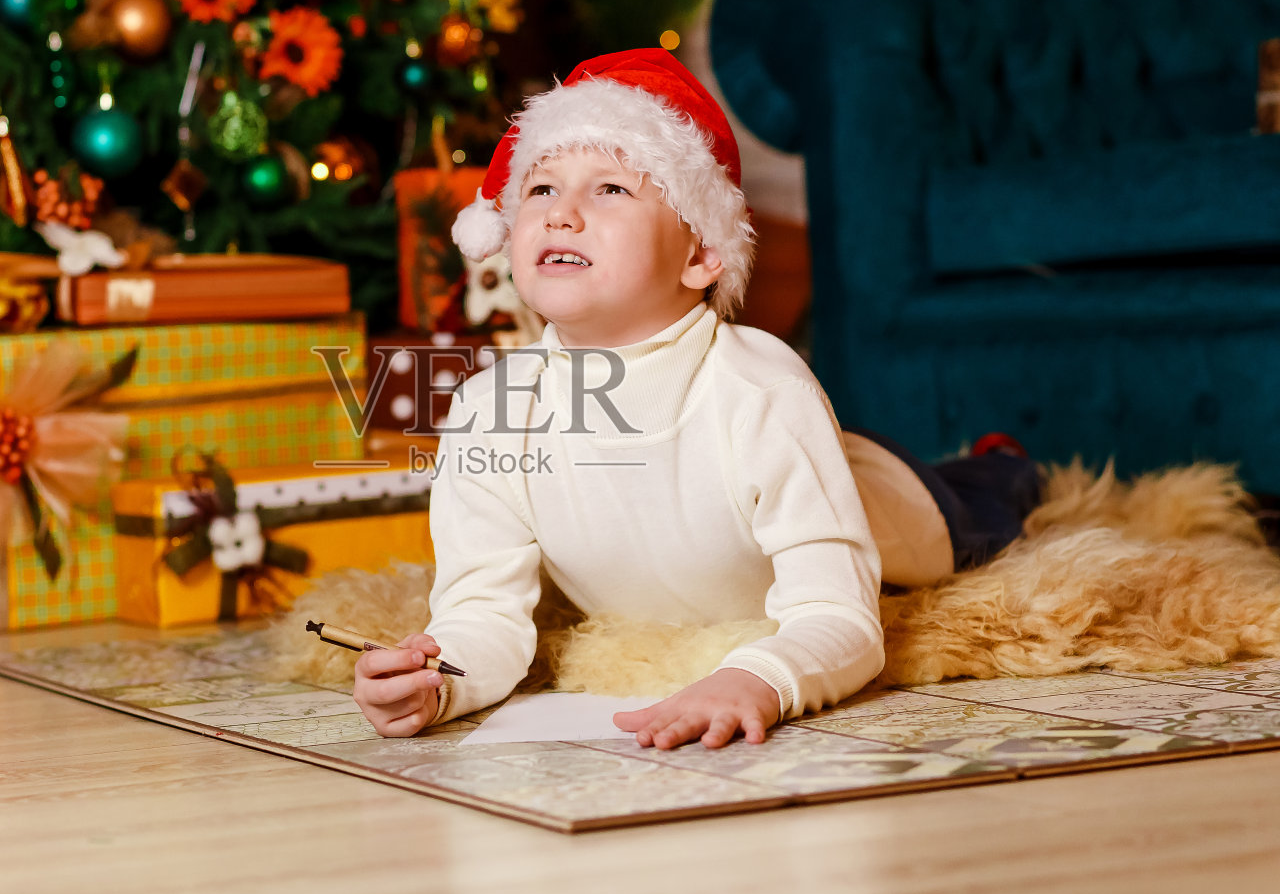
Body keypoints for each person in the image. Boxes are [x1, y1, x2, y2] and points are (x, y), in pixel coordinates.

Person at [352, 49, 1042, 750]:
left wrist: (759, 677)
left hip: (895, 505)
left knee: (976, 508)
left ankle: (1000, 462)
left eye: (611, 189)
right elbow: (481, 611)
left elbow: (839, 614)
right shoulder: (487, 412)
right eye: (539, 189)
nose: (561, 213)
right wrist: (438, 678)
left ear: (701, 255)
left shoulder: (763, 390)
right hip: (772, 482)